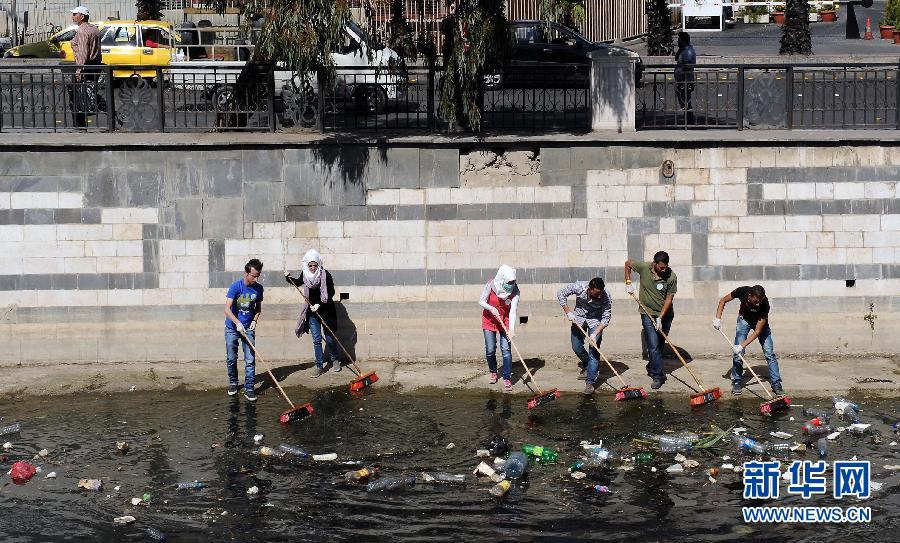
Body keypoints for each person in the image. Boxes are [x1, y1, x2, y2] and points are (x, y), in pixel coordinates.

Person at [714, 285, 785, 397]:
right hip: (744, 320)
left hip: (760, 323)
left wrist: (741, 346)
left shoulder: (765, 304)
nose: (757, 304)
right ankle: (737, 381)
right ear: (749, 295)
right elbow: (723, 300)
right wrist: (718, 318)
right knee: (738, 355)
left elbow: (757, 332)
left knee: (769, 353)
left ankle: (776, 383)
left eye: (759, 301)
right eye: (755, 301)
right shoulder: (742, 291)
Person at [625, 252, 677, 390]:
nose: (664, 270)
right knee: (653, 346)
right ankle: (658, 376)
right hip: (647, 313)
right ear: (654, 263)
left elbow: (669, 299)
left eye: (665, 267)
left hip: (665, 315)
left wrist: (660, 317)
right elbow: (627, 263)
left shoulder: (671, 276)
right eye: (661, 268)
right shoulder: (643, 267)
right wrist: (628, 282)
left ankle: (652, 365)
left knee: (659, 344)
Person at [286, 250, 339, 377]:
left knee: (330, 338)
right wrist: (288, 277)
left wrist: (320, 304)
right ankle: (319, 366)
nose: (313, 268)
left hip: (326, 310)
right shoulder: (305, 274)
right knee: (316, 339)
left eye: (315, 265)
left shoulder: (325, 275)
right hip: (312, 312)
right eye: (310, 265)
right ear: (307, 265)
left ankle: (335, 360)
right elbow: (298, 282)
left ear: (318, 264)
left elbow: (331, 292)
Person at [557, 277, 612, 395]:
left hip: (596, 322)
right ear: (589, 289)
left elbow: (606, 318)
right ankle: (587, 365)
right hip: (578, 318)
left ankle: (590, 382)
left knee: (594, 349)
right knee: (576, 346)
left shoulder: (606, 295)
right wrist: (568, 312)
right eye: (596, 294)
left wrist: (595, 334)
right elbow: (561, 294)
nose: (598, 296)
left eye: (600, 294)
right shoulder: (579, 286)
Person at [224, 258, 264, 401]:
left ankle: (249, 388)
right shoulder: (236, 287)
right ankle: (233, 383)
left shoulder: (258, 289)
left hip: (248, 328)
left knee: (250, 360)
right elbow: (226, 309)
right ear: (246, 273)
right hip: (232, 328)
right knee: (231, 358)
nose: (255, 278)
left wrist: (254, 320)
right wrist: (237, 323)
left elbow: (258, 308)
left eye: (257, 276)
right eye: (253, 276)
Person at [479, 265, 519, 392]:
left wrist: (511, 330)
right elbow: (481, 301)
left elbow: (513, 312)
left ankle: (507, 377)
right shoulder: (491, 285)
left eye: (513, 282)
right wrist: (491, 308)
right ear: (502, 279)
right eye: (509, 282)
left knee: (506, 350)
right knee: (490, 349)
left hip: (505, 321)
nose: (511, 284)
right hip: (489, 319)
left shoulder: (515, 291)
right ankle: (493, 372)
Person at [69, 6, 102, 128]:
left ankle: (80, 126)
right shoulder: (94, 29)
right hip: (95, 65)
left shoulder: (82, 31)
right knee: (88, 93)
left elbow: (83, 53)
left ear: (82, 17)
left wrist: (79, 70)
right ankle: (111, 112)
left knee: (78, 97)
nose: (72, 16)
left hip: (85, 67)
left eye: (75, 14)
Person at [674, 31, 696, 112]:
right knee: (685, 103)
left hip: (685, 80)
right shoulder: (683, 50)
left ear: (683, 41)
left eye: (679, 40)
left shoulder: (688, 52)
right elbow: (676, 58)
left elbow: (688, 66)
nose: (678, 41)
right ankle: (688, 120)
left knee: (686, 103)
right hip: (682, 80)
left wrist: (682, 76)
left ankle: (689, 121)